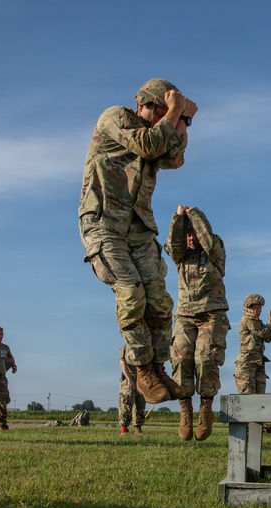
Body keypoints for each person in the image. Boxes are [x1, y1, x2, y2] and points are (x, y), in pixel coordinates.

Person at [78, 77, 197, 404]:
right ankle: (142, 368)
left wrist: (184, 120)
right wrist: (177, 112)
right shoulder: (114, 118)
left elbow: (173, 158)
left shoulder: (157, 131)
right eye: (164, 113)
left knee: (158, 299)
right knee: (131, 291)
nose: (167, 122)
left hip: (138, 227)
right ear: (149, 105)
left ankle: (157, 367)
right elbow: (150, 145)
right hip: (103, 223)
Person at [166, 206, 229, 441]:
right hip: (185, 316)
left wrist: (193, 214)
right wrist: (177, 219)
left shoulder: (215, 251)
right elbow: (172, 245)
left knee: (205, 359)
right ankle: (185, 411)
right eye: (188, 234)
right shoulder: (181, 256)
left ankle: (205, 409)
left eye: (194, 233)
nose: (191, 238)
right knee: (181, 359)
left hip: (212, 314)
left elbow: (209, 241)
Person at [235, 294, 271, 394]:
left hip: (258, 361)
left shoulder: (257, 322)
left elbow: (268, 338)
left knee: (260, 397)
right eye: (258, 308)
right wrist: (270, 322)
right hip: (247, 363)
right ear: (250, 307)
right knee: (248, 396)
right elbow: (263, 333)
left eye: (261, 308)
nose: (260, 310)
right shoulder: (247, 319)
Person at [118, 345, 146, 435]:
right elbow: (122, 364)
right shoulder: (125, 348)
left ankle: (138, 429)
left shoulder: (146, 348)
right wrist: (129, 379)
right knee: (126, 404)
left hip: (141, 379)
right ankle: (124, 429)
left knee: (140, 405)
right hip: (129, 379)